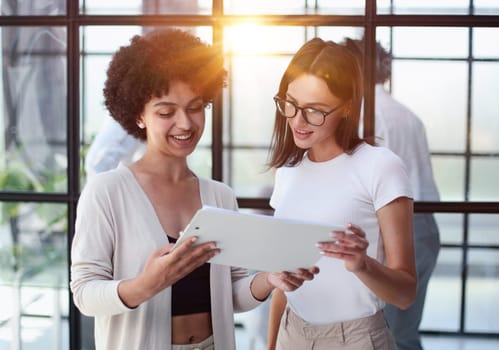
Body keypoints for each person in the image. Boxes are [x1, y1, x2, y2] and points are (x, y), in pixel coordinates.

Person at [70, 28, 319, 350]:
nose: (185, 124)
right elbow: (85, 295)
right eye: (165, 112)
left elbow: (231, 295)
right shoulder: (108, 191)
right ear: (138, 116)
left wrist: (268, 280)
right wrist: (146, 285)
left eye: (195, 107)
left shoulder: (219, 195)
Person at [265, 37, 417, 350]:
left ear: (347, 107)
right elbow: (284, 285)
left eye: (315, 111)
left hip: (356, 339)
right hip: (291, 332)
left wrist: (363, 265)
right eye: (290, 104)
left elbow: (405, 294)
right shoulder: (288, 173)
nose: (298, 121)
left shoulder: (380, 166)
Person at [345, 37, 441, 350]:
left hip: (394, 229)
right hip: (425, 228)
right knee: (405, 330)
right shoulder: (406, 115)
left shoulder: (365, 116)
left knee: (386, 332)